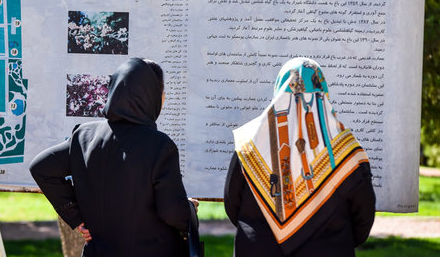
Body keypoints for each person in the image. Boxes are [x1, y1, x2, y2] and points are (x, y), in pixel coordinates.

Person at [30, 58, 190, 257]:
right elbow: (173, 212)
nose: (164, 97)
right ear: (150, 95)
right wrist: (190, 209)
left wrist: (76, 217)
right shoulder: (159, 145)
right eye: (162, 91)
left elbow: (41, 167)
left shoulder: (85, 135)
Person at [224, 58, 375, 257]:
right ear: (322, 91)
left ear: (279, 89)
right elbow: (363, 217)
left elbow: (232, 203)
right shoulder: (348, 151)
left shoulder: (249, 144)